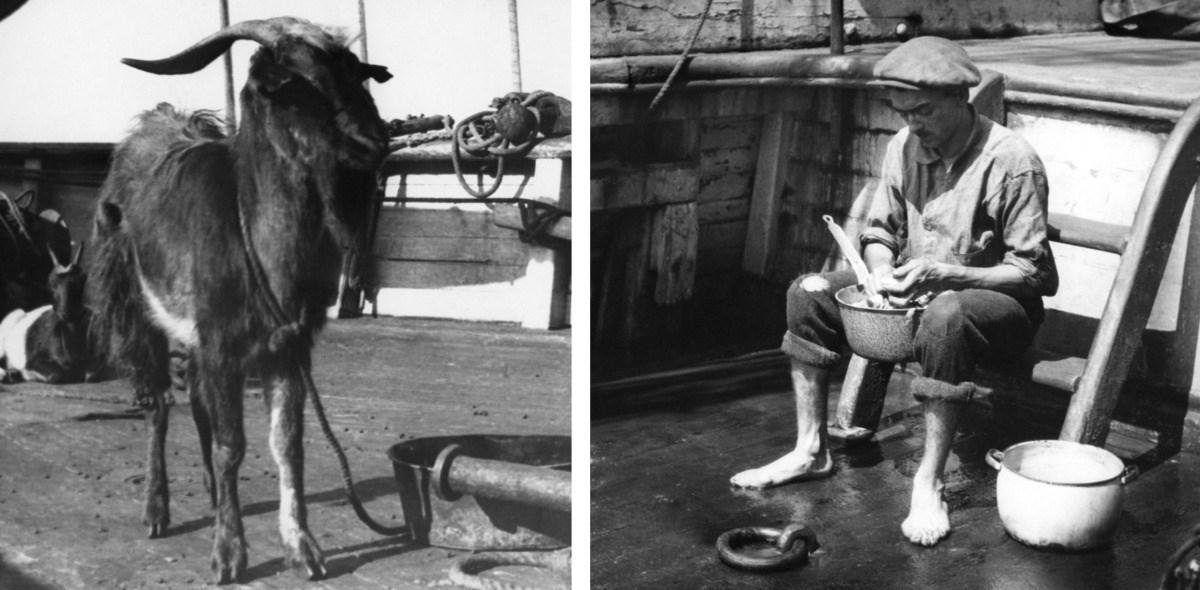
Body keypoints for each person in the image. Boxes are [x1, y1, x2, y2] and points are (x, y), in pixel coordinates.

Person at [729, 36, 1059, 547]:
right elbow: (880, 231)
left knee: (947, 316)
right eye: (902, 111)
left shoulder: (1012, 161)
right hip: (916, 298)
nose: (913, 124)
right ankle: (810, 448)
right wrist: (880, 270)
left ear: (958, 97)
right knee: (810, 290)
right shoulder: (903, 146)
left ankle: (930, 481)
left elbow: (1036, 275)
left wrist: (944, 276)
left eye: (923, 111)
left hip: (998, 313)